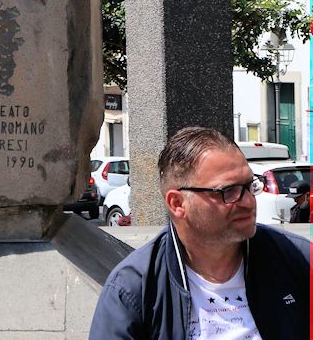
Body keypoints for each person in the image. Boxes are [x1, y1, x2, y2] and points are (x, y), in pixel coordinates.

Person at [89, 125, 310, 338]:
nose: (248, 201)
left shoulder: (299, 260)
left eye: (250, 185)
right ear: (177, 203)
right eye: (228, 191)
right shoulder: (133, 290)